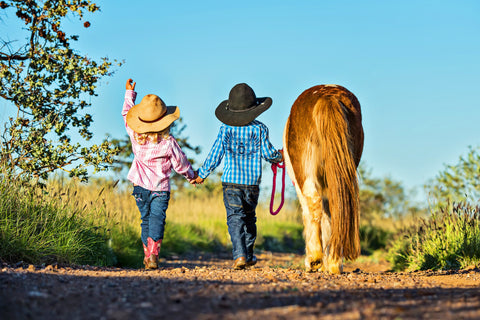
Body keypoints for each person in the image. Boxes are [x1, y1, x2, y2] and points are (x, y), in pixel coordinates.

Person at [194, 83, 283, 270]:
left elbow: (215, 154)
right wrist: (280, 156)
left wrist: (202, 174)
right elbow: (268, 154)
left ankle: (240, 255)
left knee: (235, 218)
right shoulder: (260, 129)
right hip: (252, 184)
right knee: (250, 219)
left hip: (231, 183)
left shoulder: (225, 129)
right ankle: (249, 255)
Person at [122, 78, 196, 269]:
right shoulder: (168, 142)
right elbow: (180, 164)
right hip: (160, 189)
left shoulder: (135, 136)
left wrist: (129, 94)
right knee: (157, 220)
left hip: (139, 187)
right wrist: (191, 176)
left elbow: (125, 114)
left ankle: (147, 256)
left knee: (145, 220)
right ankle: (153, 255)